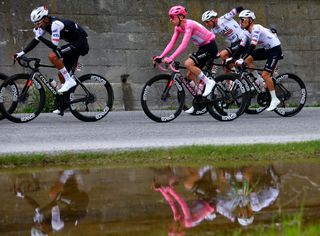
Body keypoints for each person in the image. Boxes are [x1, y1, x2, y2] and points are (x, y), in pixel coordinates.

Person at [14, 5, 89, 113]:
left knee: (52, 56)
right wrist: (21, 53)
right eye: (35, 24)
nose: (37, 26)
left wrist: (40, 37)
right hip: (73, 44)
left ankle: (69, 80)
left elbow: (54, 46)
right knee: (61, 74)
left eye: (38, 23)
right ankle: (65, 104)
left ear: (45, 19)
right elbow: (35, 41)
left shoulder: (55, 24)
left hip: (81, 43)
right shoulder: (45, 25)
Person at [153, 5, 218, 114]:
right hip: (202, 48)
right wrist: (160, 56)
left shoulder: (189, 25)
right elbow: (172, 43)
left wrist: (171, 58)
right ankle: (198, 100)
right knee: (190, 76)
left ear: (181, 17)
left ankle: (209, 82)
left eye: (172, 17)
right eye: (170, 17)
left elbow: (183, 45)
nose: (170, 19)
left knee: (188, 63)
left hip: (210, 46)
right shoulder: (178, 27)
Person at [234, 10, 282, 111]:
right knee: (248, 60)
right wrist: (233, 57)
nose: (240, 22)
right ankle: (259, 81)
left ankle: (274, 99)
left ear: (250, 21)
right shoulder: (246, 32)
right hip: (266, 49)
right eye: (240, 20)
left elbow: (252, 45)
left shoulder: (256, 28)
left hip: (275, 49)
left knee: (265, 74)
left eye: (243, 20)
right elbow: (242, 46)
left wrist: (241, 59)